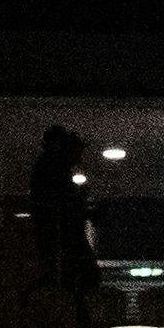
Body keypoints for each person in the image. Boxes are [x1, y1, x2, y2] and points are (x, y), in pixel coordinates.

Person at [28, 124, 96, 304]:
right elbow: (62, 204)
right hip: (62, 234)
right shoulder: (53, 169)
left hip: (59, 233)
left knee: (73, 276)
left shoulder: (49, 168)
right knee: (81, 275)